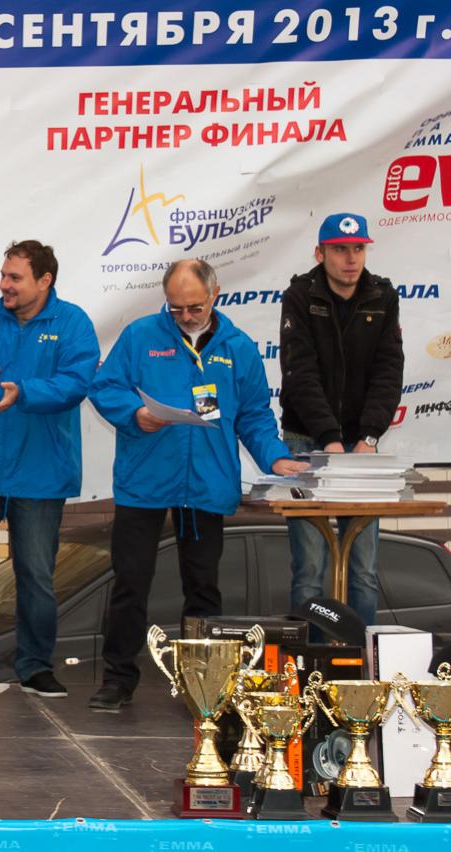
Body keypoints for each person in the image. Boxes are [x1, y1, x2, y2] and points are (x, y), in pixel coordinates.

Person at [87, 258, 307, 712]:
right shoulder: (141, 336)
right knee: (130, 583)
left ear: (214, 295)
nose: (185, 316)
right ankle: (118, 678)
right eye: (176, 308)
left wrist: (275, 456)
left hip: (207, 484)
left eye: (194, 307)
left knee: (204, 589)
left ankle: (204, 685)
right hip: (144, 482)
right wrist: (135, 414)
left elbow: (254, 415)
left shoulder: (238, 347)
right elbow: (106, 387)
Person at [0, 240, 99, 699]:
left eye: (14, 277)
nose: (4, 285)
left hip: (41, 475)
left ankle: (35, 667)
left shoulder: (72, 323)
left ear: (44, 280)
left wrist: (24, 392)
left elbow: (76, 383)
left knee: (36, 576)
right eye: (3, 275)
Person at [279, 213, 403, 626]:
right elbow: (299, 372)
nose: (351, 259)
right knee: (310, 567)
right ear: (320, 253)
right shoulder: (300, 295)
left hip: (361, 448)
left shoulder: (383, 296)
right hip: (306, 442)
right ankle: (309, 660)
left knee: (364, 570)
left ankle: (359, 661)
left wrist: (368, 437)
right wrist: (329, 438)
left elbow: (389, 371)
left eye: (358, 249)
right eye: (340, 249)